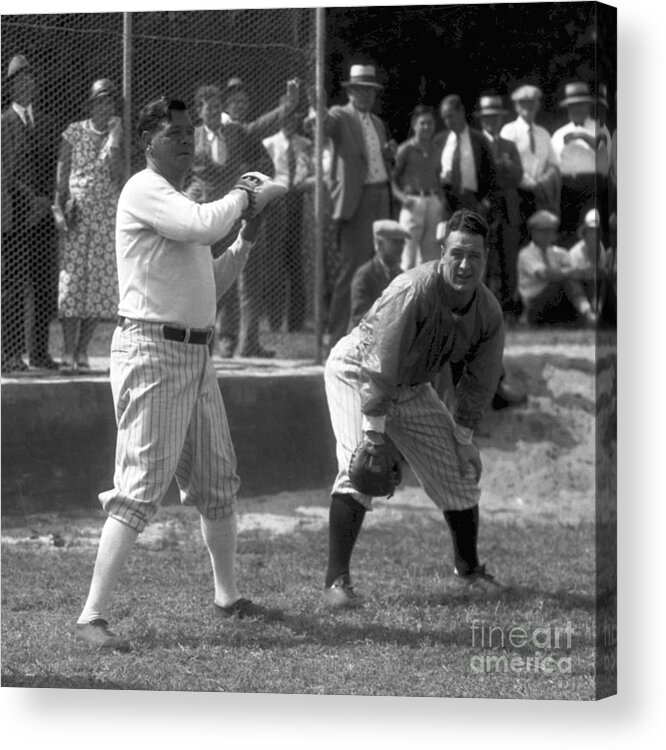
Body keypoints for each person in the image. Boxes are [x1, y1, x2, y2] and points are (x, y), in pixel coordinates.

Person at [74, 96, 285, 651]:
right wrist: (244, 193)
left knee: (217, 481)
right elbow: (200, 224)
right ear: (149, 143)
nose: (187, 139)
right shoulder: (145, 189)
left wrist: (246, 236)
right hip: (151, 351)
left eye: (190, 130)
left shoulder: (180, 202)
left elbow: (209, 284)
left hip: (194, 354)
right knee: (140, 487)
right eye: (174, 133)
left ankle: (227, 597)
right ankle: (91, 616)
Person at [323, 209, 505, 609]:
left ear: (486, 258)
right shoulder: (413, 288)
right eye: (456, 254)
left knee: (460, 473)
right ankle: (336, 582)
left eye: (474, 256)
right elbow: (380, 362)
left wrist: (464, 439)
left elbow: (479, 381)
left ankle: (469, 570)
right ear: (442, 253)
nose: (464, 264)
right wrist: (374, 433)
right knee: (360, 469)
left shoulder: (488, 312)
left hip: (410, 384)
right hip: (360, 371)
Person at [186, 83, 278, 358]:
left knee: (233, 278)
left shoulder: (235, 132)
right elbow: (181, 171)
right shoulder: (192, 137)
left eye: (217, 107)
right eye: (208, 107)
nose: (213, 111)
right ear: (200, 111)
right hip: (204, 217)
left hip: (232, 216)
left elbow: (259, 129)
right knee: (205, 281)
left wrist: (287, 107)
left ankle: (238, 343)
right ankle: (203, 344)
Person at [309, 63, 395, 348]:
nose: (366, 95)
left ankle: (372, 334)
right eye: (360, 89)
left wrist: (389, 156)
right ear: (351, 91)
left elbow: (377, 159)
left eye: (370, 90)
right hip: (355, 202)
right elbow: (324, 128)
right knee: (353, 270)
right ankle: (336, 337)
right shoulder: (339, 115)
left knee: (380, 265)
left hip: (381, 194)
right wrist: (318, 105)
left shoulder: (378, 123)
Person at [52, 78, 123, 373]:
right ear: (91, 104)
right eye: (99, 101)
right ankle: (68, 351)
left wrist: (115, 138)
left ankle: (82, 352)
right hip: (77, 218)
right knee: (72, 286)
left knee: (98, 286)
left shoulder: (116, 136)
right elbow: (62, 173)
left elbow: (117, 175)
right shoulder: (74, 132)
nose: (104, 106)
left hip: (105, 219)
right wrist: (58, 206)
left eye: (109, 101)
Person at [1, 54, 59, 372]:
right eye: (19, 80)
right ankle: (9, 354)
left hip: (42, 216)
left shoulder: (47, 123)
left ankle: (39, 353)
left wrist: (46, 199)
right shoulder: (4, 123)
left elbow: (56, 167)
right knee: (12, 284)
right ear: (11, 87)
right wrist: (32, 199)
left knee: (43, 285)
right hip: (15, 215)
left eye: (30, 79)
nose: (26, 84)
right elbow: (5, 172)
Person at [262, 104, 313, 332]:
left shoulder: (305, 144)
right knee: (276, 261)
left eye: (294, 119)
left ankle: (295, 321)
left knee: (295, 261)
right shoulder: (270, 143)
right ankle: (274, 320)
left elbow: (311, 171)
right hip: (277, 200)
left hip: (298, 200)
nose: (290, 123)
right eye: (287, 118)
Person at [474, 94, 524, 322]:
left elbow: (518, 175)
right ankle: (481, 309)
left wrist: (504, 165)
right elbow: (477, 176)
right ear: (481, 120)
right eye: (487, 118)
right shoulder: (476, 143)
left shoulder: (509, 145)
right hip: (485, 205)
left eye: (494, 118)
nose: (490, 122)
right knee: (484, 256)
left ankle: (508, 309)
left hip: (508, 207)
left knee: (508, 258)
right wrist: (498, 166)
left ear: (500, 120)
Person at [500, 84, 560, 244]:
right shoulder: (509, 131)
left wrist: (542, 182)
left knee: (540, 238)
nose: (528, 106)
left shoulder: (543, 133)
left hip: (539, 194)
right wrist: (526, 181)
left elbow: (553, 165)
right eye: (523, 103)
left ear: (538, 105)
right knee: (518, 239)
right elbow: (506, 163)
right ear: (516, 106)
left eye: (532, 102)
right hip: (516, 193)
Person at [551, 81, 607, 246]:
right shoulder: (559, 133)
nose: (576, 109)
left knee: (596, 229)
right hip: (567, 188)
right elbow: (553, 162)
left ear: (589, 106)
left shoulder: (599, 128)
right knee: (569, 232)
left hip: (594, 187)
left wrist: (583, 136)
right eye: (572, 106)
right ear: (567, 108)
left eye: (580, 105)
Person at [517, 209, 595, 328]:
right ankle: (587, 313)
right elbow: (545, 274)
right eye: (543, 231)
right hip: (535, 303)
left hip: (557, 299)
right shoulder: (526, 254)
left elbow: (580, 273)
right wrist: (569, 272)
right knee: (566, 280)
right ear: (533, 233)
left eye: (550, 230)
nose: (547, 234)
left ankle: (591, 313)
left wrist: (572, 272)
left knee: (582, 279)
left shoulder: (560, 253)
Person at [391, 104, 444, 270]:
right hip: (412, 202)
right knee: (408, 254)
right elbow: (391, 180)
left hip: (433, 202)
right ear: (414, 125)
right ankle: (406, 294)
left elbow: (439, 178)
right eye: (422, 123)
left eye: (430, 123)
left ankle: (426, 294)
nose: (427, 127)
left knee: (431, 256)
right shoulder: (405, 149)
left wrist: (440, 201)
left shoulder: (436, 151)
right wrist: (402, 198)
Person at [434, 94, 497, 221]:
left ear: (461, 112)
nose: (448, 122)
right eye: (445, 118)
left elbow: (492, 173)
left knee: (471, 240)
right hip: (447, 203)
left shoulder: (479, 140)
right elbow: (432, 171)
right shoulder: (439, 141)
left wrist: (486, 202)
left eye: (451, 116)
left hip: (473, 201)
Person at [349, 219, 409, 328]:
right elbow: (360, 317)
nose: (400, 248)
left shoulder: (401, 276)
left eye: (402, 242)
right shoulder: (364, 275)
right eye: (395, 242)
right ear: (380, 244)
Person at [568, 208, 613, 317]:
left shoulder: (601, 247)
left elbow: (601, 273)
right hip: (579, 291)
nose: (594, 235)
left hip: (595, 287)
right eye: (590, 232)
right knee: (571, 281)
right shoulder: (574, 252)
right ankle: (587, 312)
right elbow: (571, 274)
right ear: (584, 233)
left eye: (596, 232)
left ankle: (598, 312)